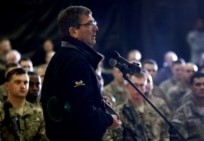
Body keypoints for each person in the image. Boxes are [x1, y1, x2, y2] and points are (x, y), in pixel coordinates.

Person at [40, 5, 121, 141]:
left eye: (95, 23)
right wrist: (108, 120)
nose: (96, 28)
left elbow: (70, 99)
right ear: (73, 32)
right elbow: (81, 108)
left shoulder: (62, 56)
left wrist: (98, 101)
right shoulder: (76, 61)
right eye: (90, 24)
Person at [0, 68, 48, 140]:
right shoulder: (1, 111)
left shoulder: (38, 112)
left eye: (26, 83)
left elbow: (43, 138)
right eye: (18, 82)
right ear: (7, 86)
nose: (23, 86)